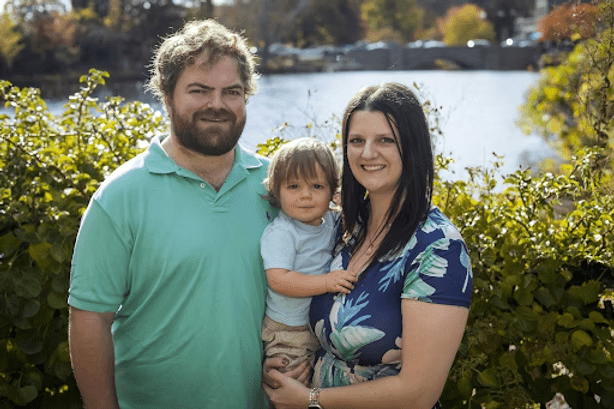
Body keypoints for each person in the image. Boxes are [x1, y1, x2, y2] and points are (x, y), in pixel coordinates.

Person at [68, 19, 276, 409]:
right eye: (199, 90)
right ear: (166, 95)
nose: (217, 104)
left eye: (231, 92)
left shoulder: (276, 186)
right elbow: (90, 319)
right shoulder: (120, 196)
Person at [263, 82, 473, 409]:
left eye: (385, 140)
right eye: (356, 141)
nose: (368, 153)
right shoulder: (343, 226)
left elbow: (419, 393)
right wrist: (287, 361)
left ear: (412, 146)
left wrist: (311, 399)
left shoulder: (439, 248)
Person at [260, 138, 357, 375]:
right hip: (288, 331)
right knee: (291, 384)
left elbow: (355, 224)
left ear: (332, 190)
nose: (306, 196)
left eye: (317, 187)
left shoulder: (330, 221)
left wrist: (348, 204)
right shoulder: (283, 232)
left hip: (315, 329)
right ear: (276, 190)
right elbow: (279, 280)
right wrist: (326, 283)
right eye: (294, 187)